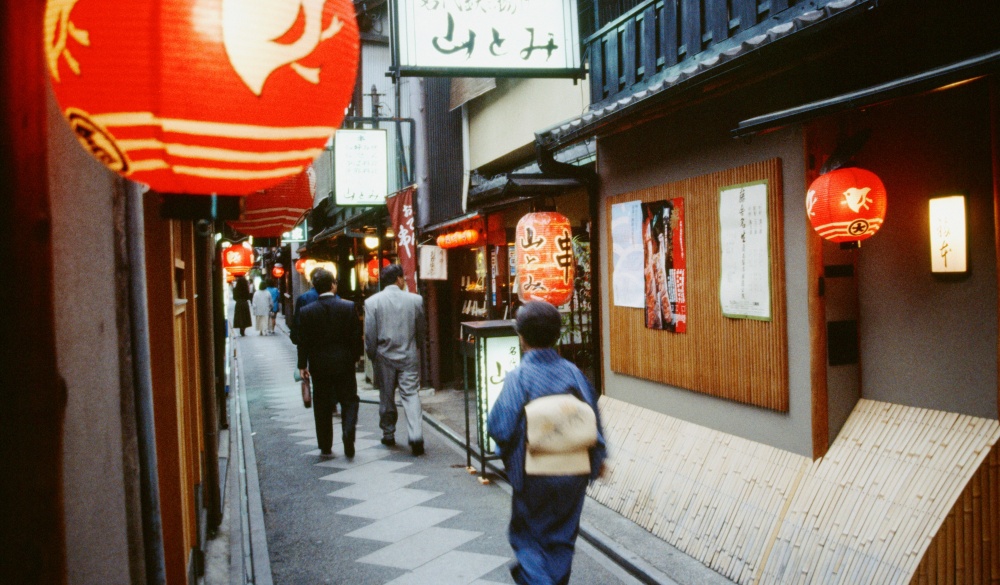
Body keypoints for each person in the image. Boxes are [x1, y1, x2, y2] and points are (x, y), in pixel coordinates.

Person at [487, 301, 607, 585]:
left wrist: (503, 452)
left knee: (528, 535)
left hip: (533, 472)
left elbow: (499, 426)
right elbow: (593, 419)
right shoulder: (573, 373)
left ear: (521, 336)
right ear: (557, 335)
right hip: (573, 471)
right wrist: (598, 460)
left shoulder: (520, 377)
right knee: (562, 537)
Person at [296, 269, 363, 458]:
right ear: (333, 285)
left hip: (319, 364)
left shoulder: (307, 311)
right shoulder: (348, 307)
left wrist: (303, 365)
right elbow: (355, 337)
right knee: (349, 399)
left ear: (315, 288)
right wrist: (355, 357)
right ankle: (348, 432)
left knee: (322, 403)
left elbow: (303, 341)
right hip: (344, 362)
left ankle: (325, 444)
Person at [364, 263, 427, 455]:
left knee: (387, 396)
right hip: (408, 354)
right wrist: (415, 346)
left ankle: (388, 433)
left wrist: (372, 354)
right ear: (399, 279)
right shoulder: (415, 300)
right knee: (411, 394)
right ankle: (415, 435)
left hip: (384, 355)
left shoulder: (372, 302)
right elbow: (421, 328)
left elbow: (370, 334)